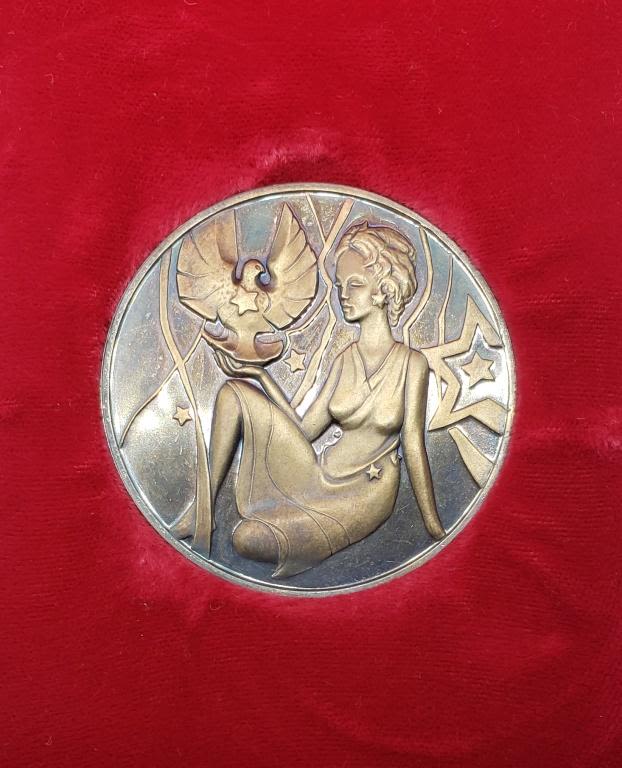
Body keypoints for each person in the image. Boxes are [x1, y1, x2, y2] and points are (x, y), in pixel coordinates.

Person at [205, 220, 446, 577]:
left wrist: (432, 524)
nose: (343, 294)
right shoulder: (345, 359)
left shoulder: (412, 364)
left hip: (364, 495)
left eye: (355, 284)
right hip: (318, 476)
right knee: (234, 393)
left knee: (247, 538)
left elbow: (413, 444)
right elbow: (304, 431)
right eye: (339, 285)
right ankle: (202, 511)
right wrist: (260, 376)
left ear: (385, 289)